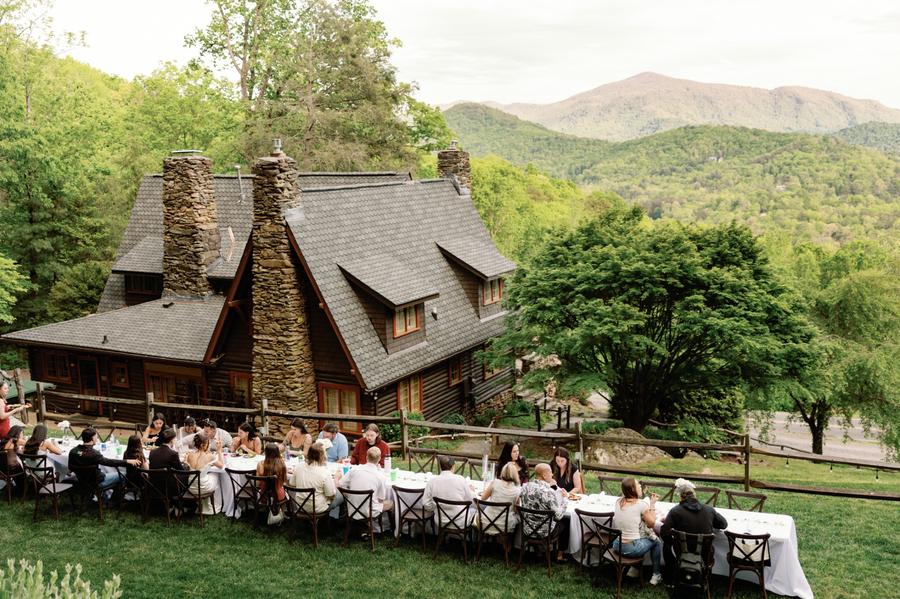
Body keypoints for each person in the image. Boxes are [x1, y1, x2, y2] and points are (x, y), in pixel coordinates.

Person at [660, 478, 728, 586]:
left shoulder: (675, 511)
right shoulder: (709, 509)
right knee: (711, 548)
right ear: (695, 496)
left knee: (666, 546)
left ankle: (669, 579)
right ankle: (706, 577)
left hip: (681, 551)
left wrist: (673, 541)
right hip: (704, 552)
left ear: (681, 497)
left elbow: (663, 532)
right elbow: (724, 525)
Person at [611, 477, 663, 585]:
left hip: (616, 545)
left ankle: (634, 570)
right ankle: (656, 575)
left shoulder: (618, 501)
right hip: (630, 549)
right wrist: (652, 504)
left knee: (641, 535)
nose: (640, 486)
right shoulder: (641, 505)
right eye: (638, 485)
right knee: (656, 541)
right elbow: (652, 523)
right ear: (632, 489)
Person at [68, 428, 141, 497]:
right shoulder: (94, 454)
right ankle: (113, 500)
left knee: (104, 472)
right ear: (92, 439)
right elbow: (109, 462)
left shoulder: (73, 451)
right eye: (96, 437)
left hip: (82, 482)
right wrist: (127, 461)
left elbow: (70, 467)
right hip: (97, 483)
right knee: (123, 474)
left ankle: (105, 497)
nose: (97, 439)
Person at [519, 463, 569, 562]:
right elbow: (558, 516)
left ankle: (538, 551)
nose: (552, 475)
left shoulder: (525, 487)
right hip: (545, 532)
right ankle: (560, 555)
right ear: (544, 475)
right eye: (550, 472)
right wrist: (565, 499)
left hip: (527, 529)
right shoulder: (548, 492)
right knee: (566, 521)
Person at [342, 446, 393, 525]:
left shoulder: (354, 470)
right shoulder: (380, 476)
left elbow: (342, 484)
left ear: (366, 457)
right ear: (379, 459)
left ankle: (366, 527)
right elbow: (381, 499)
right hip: (368, 512)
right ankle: (386, 528)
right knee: (390, 503)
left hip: (351, 508)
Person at [289, 442, 340, 515]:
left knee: (327, 492)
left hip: (300, 505)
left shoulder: (299, 466)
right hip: (316, 508)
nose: (326, 455)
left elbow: (291, 483)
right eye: (325, 452)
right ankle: (338, 520)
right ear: (321, 456)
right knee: (340, 495)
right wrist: (336, 481)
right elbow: (330, 494)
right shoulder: (324, 472)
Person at [185, 432, 224, 515]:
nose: (209, 445)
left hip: (191, 487)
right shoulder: (209, 456)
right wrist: (219, 450)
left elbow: (188, 465)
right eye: (208, 444)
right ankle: (216, 504)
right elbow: (222, 466)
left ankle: (203, 505)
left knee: (208, 476)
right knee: (217, 475)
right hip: (202, 488)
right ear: (204, 445)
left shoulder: (190, 455)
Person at [480, 461, 522, 532]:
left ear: (503, 471)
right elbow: (516, 510)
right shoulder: (517, 491)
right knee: (519, 519)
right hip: (505, 526)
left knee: (478, 510)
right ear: (515, 475)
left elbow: (483, 498)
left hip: (487, 522)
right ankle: (512, 542)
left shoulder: (495, 483)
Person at [148, 428, 187, 493]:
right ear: (172, 440)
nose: (176, 440)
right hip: (167, 487)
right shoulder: (173, 454)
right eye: (175, 438)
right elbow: (181, 470)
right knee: (187, 473)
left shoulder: (152, 452)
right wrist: (186, 463)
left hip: (153, 485)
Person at [256, 443, 287, 524]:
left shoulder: (260, 464)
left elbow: (257, 483)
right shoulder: (282, 464)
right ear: (277, 452)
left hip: (263, 496)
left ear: (266, 453)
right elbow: (284, 481)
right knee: (284, 490)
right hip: (279, 496)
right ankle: (282, 513)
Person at [1, 425, 25, 496]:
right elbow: (31, 444)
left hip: (3, 469)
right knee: (25, 466)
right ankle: (24, 490)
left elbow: (7, 451)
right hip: (12, 469)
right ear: (17, 433)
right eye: (21, 433)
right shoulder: (15, 440)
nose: (22, 435)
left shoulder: (4, 441)